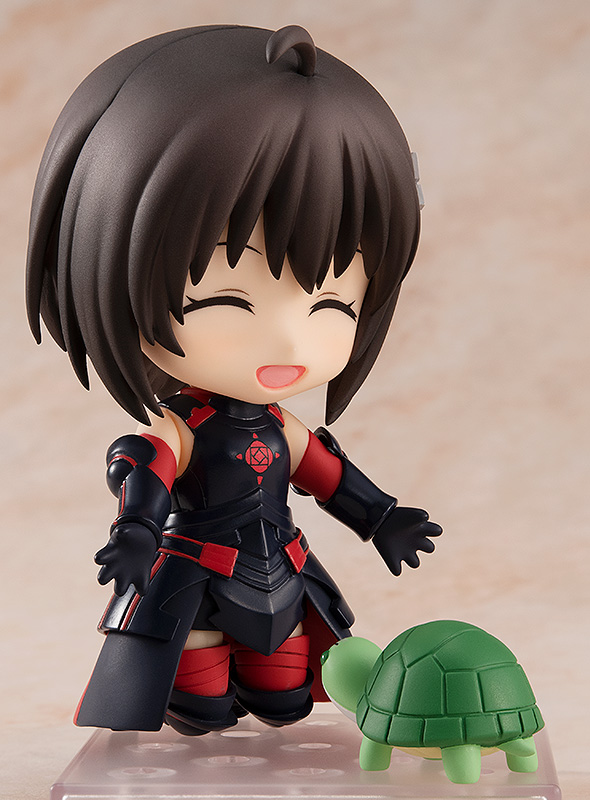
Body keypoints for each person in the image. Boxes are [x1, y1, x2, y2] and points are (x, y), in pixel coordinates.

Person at [26, 24, 441, 734]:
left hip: (282, 575)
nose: (288, 341)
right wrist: (135, 532)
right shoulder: (180, 429)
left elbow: (330, 476)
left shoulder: (282, 426)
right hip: (192, 580)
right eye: (225, 301)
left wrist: (382, 518)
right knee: (201, 706)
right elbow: (145, 472)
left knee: (285, 700)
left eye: (332, 304)